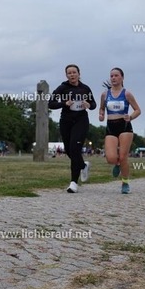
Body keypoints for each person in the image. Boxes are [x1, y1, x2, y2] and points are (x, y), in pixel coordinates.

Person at [48, 64, 96, 193]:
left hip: (81, 121)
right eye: (69, 73)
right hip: (66, 121)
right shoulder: (62, 88)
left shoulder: (85, 88)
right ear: (66, 75)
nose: (72, 75)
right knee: (69, 150)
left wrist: (88, 105)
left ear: (79, 74)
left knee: (75, 149)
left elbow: (93, 104)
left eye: (74, 72)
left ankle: (73, 183)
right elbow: (51, 103)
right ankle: (83, 166)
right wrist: (64, 103)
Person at [99, 67, 141, 194]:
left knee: (123, 157)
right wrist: (101, 114)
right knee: (110, 158)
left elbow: (138, 110)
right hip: (110, 126)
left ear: (122, 78)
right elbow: (102, 108)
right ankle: (117, 164)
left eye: (116, 75)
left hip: (124, 126)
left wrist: (130, 117)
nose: (113, 78)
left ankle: (125, 182)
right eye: (111, 76)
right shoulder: (105, 94)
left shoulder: (127, 94)